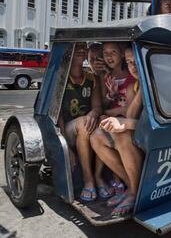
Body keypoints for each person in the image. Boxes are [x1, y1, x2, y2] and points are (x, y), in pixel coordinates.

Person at [91, 46, 143, 218]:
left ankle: (135, 191)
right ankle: (129, 186)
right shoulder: (135, 85)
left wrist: (124, 123)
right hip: (138, 131)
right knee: (96, 137)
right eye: (129, 63)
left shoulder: (144, 82)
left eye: (136, 62)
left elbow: (136, 119)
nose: (133, 67)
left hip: (152, 136)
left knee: (121, 133)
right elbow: (130, 114)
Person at [57, 42, 102, 202]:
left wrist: (93, 113)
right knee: (84, 124)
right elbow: (58, 115)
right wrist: (65, 147)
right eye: (77, 46)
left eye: (84, 46)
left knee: (100, 123)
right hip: (67, 130)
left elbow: (97, 106)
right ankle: (88, 181)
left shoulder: (91, 77)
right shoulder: (61, 77)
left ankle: (101, 180)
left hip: (86, 126)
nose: (81, 49)